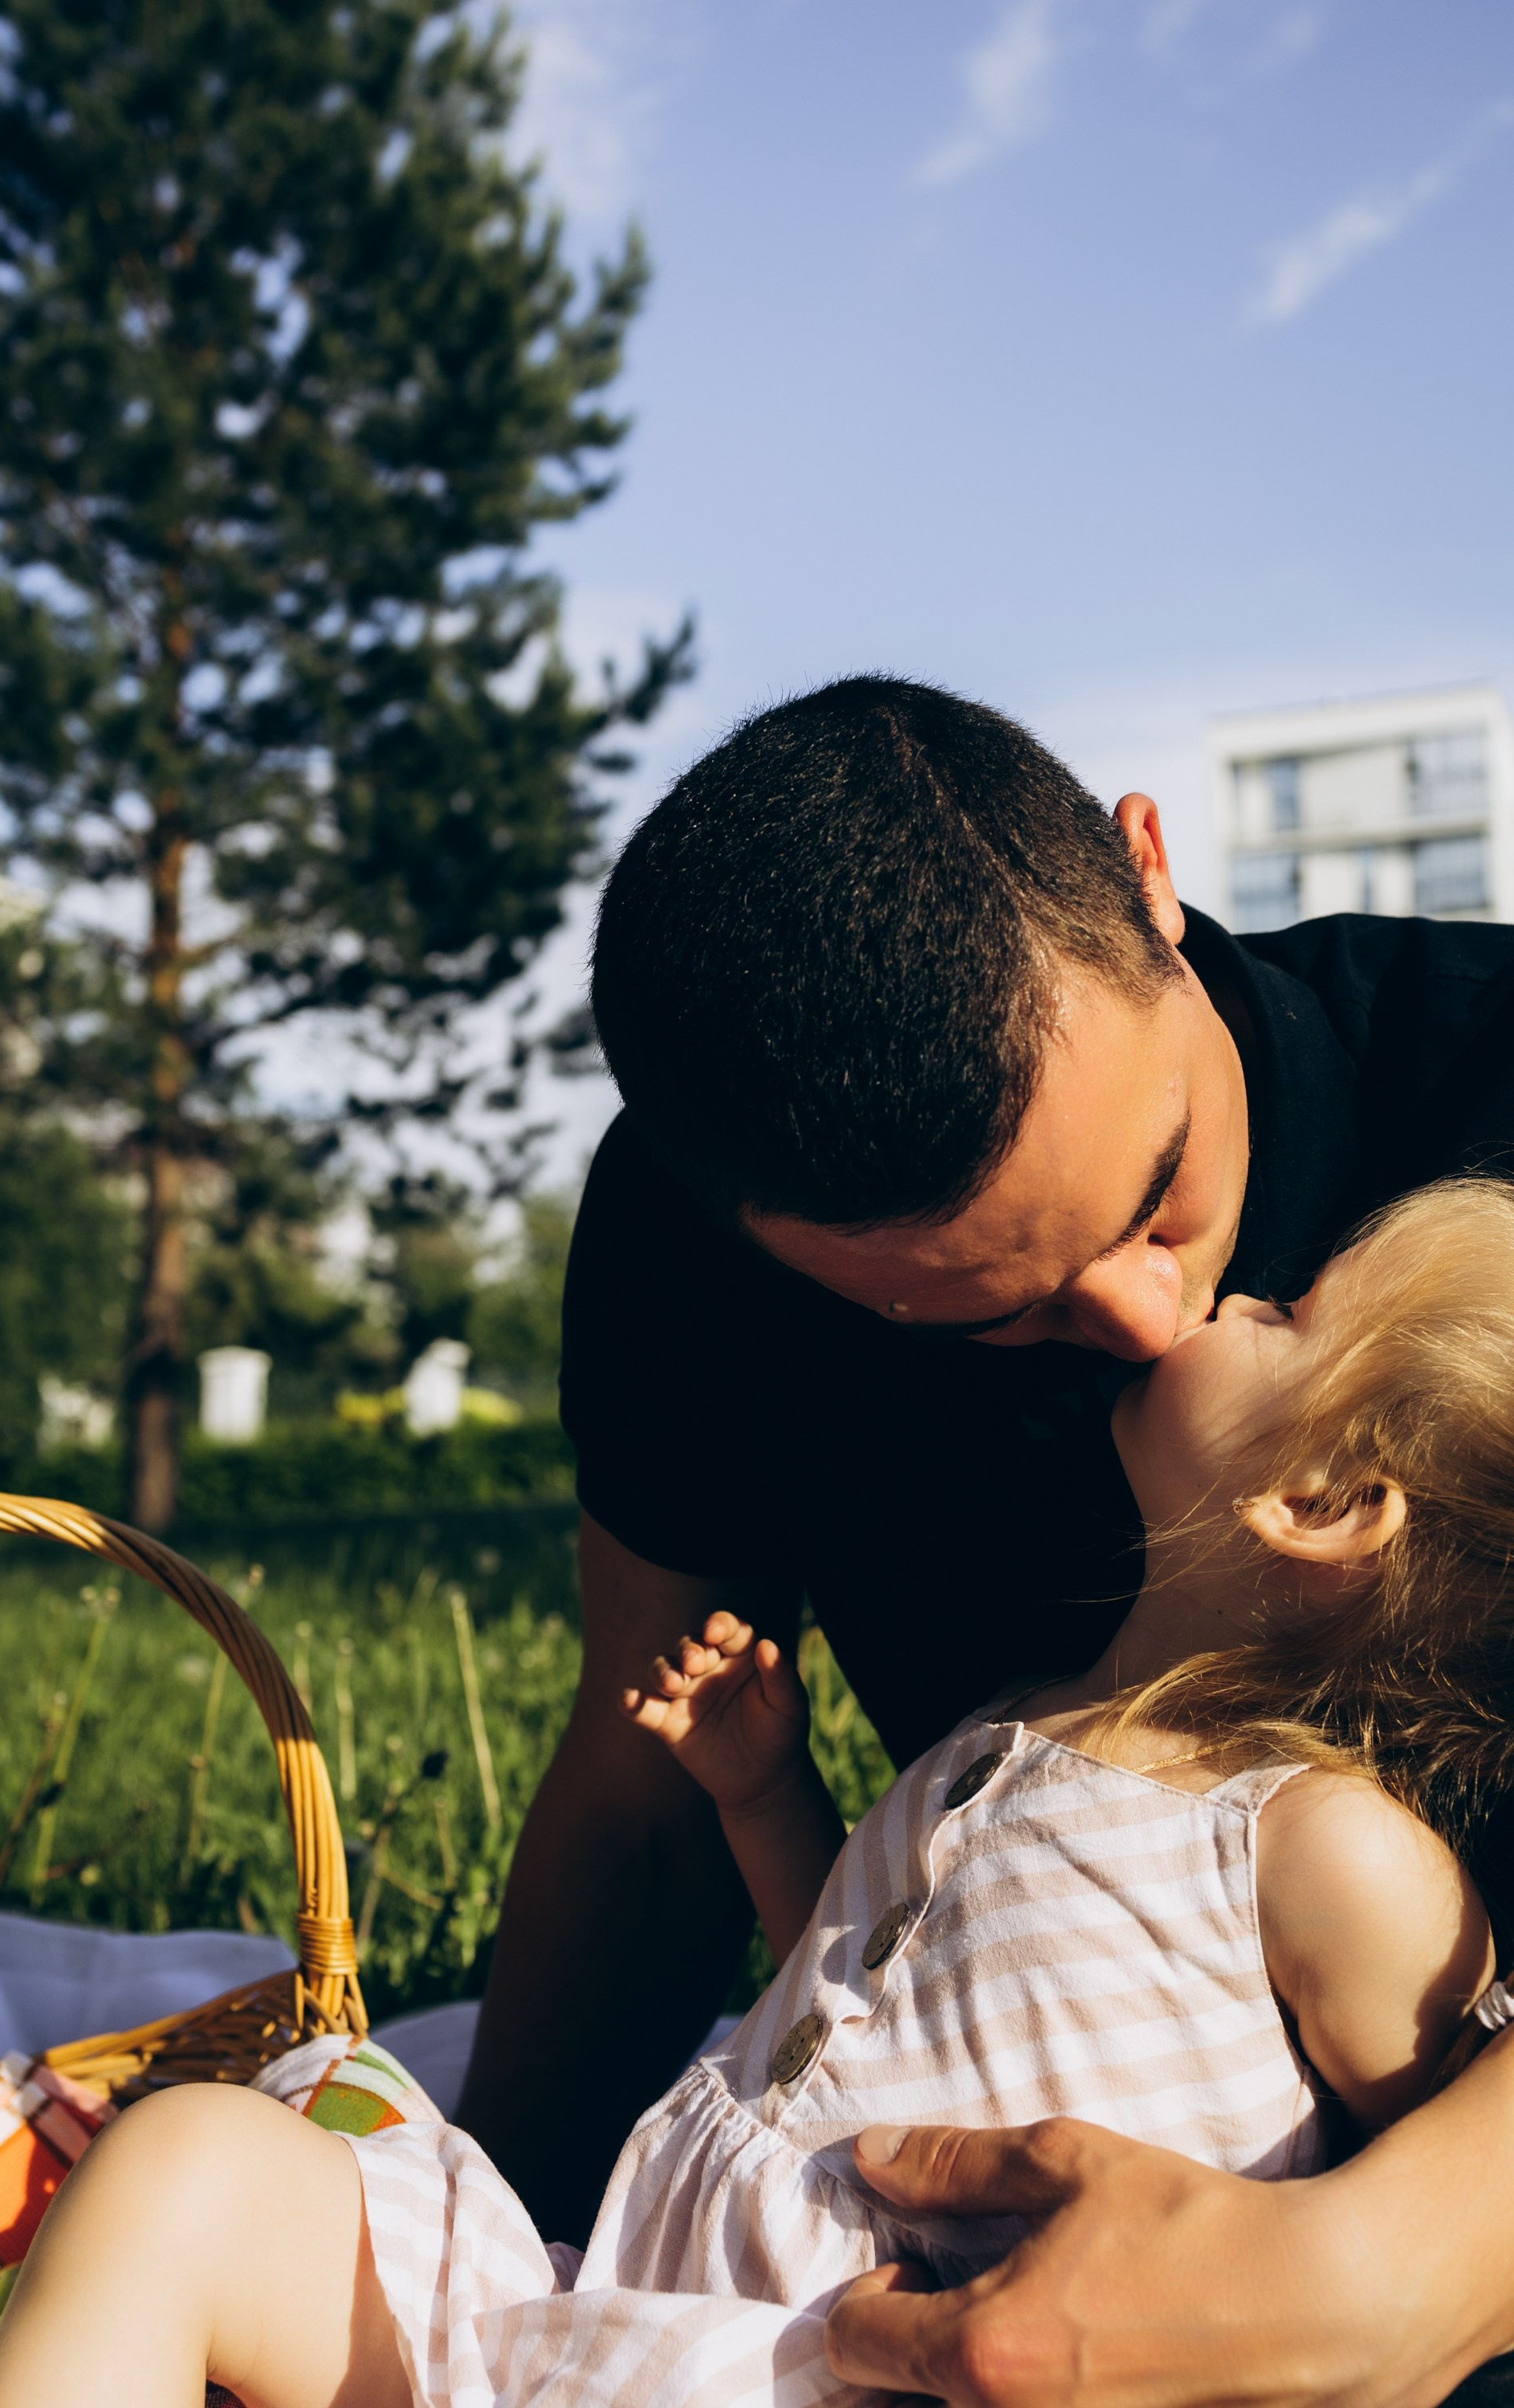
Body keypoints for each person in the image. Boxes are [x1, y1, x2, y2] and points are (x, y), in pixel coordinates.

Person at [0, 1176, 1514, 2407]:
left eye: (1293, 1313)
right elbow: (838, 1998)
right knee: (190, 2167)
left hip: (846, 2366)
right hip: (593, 2314)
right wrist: (769, 1800)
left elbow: (1453, 2157)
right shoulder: (1030, 1717)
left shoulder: (1324, 1850)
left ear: (1319, 1505)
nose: (1240, 1292)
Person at [450, 673, 1514, 2404]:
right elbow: (644, 1820)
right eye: (984, 1321)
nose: (1151, 1322)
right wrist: (477, 2266)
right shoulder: (687, 1259)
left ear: (1145, 877)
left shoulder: (1483, 1087)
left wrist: (1405, 2272)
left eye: (1161, 1187)